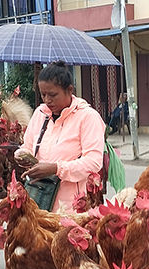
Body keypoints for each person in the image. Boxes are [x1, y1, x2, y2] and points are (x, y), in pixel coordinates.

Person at [15, 60, 106, 213]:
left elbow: (93, 163)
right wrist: (21, 155)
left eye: (52, 95)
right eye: (43, 94)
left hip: (72, 207)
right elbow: (28, 146)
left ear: (69, 90)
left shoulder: (88, 117)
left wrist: (56, 168)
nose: (47, 100)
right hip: (39, 202)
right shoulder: (40, 114)